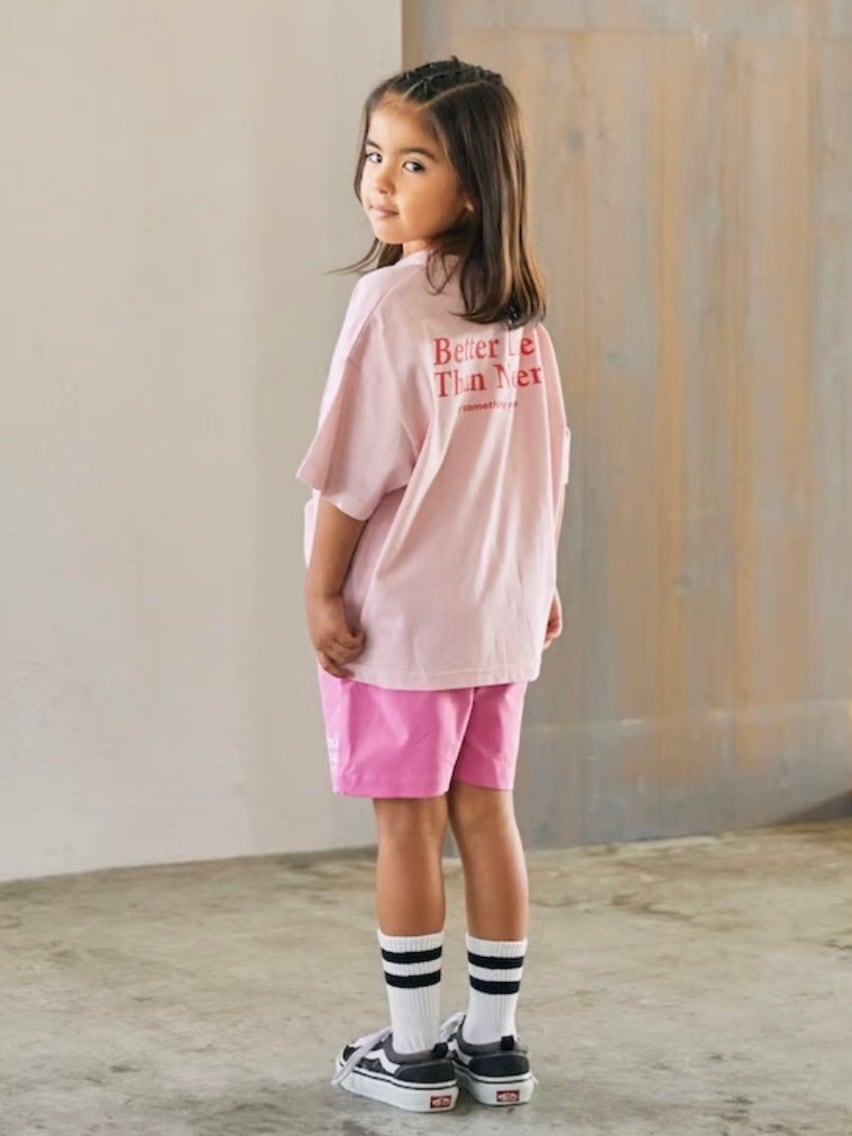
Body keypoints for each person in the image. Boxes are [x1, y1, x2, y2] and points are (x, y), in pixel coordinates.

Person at [296, 56, 570, 1114]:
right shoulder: (518, 310)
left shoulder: (388, 302)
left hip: (402, 622)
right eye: (376, 154)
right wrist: (538, 580)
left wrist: (323, 592)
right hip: (500, 612)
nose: (381, 179)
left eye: (414, 163)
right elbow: (546, 464)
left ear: (475, 185)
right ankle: (494, 1047)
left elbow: (353, 473)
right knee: (489, 813)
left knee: (407, 826)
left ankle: (412, 1055)